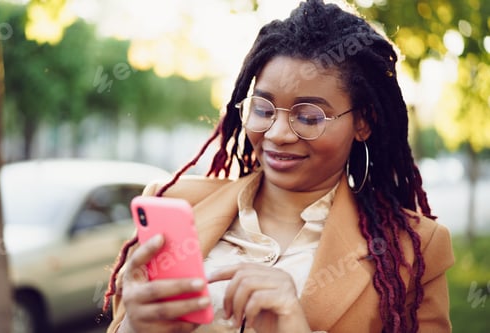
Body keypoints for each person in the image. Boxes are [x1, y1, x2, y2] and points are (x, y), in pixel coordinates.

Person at [103, 0, 454, 332]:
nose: (279, 133)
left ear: (362, 122)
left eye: (308, 116)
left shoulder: (412, 250)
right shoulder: (173, 206)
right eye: (264, 109)